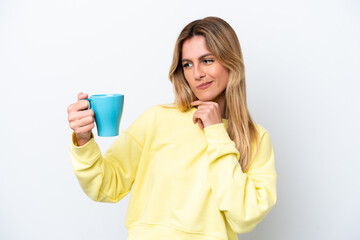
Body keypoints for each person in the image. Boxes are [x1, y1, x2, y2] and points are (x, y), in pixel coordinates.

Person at [67, 16, 277, 240]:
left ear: (230, 62)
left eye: (207, 60)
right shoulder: (156, 119)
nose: (197, 73)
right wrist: (83, 139)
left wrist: (217, 132)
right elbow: (106, 186)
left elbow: (245, 217)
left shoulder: (255, 138)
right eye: (187, 64)